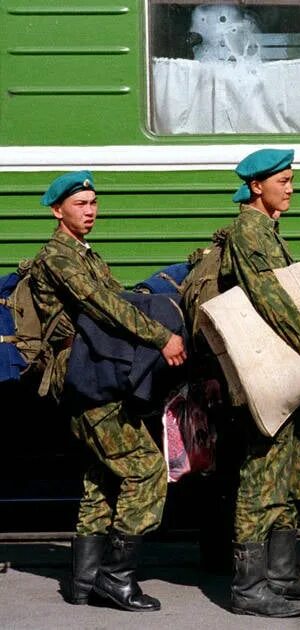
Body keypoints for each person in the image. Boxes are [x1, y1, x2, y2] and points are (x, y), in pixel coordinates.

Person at [29, 171, 187, 612]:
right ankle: (116, 579)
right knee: (145, 471)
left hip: (96, 370)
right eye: (81, 204)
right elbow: (106, 305)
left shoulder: (84, 255)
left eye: (94, 203)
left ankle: (83, 583)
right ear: (57, 210)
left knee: (101, 479)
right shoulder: (57, 259)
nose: (91, 210)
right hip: (84, 374)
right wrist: (161, 337)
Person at [219, 148, 300, 618]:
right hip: (266, 372)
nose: (290, 188)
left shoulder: (267, 231)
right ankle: (249, 588)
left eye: (291, 180)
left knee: (285, 475)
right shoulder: (248, 234)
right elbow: (272, 299)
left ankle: (282, 576)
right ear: (256, 186)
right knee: (261, 478)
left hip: (282, 367)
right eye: (283, 181)